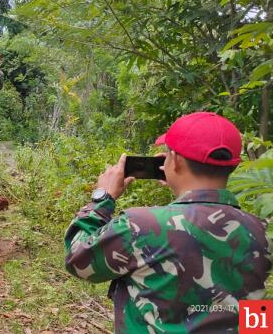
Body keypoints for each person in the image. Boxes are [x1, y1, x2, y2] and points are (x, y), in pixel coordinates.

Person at [64, 112, 271, 333]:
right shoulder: (261, 232)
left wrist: (102, 198)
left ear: (177, 160)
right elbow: (256, 313)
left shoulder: (139, 225)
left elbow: (78, 260)